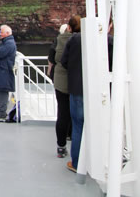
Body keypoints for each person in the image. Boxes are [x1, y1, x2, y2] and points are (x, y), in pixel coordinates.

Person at [48, 21, 74, 159]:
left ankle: (61, 146)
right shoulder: (79, 41)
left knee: (62, 113)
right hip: (76, 83)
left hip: (60, 82)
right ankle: (74, 140)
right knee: (77, 114)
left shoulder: (57, 41)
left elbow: (51, 58)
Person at [61, 15, 83, 173]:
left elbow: (64, 61)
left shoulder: (73, 40)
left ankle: (77, 163)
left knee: (78, 126)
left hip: (76, 88)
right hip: (96, 89)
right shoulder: (104, 40)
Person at [0, 25, 17, 120]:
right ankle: (0, 111)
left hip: (4, 71)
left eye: (1, 32)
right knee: (1, 90)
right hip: (2, 70)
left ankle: (1, 112)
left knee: (2, 91)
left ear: (7, 33)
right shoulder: (6, 42)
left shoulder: (9, 43)